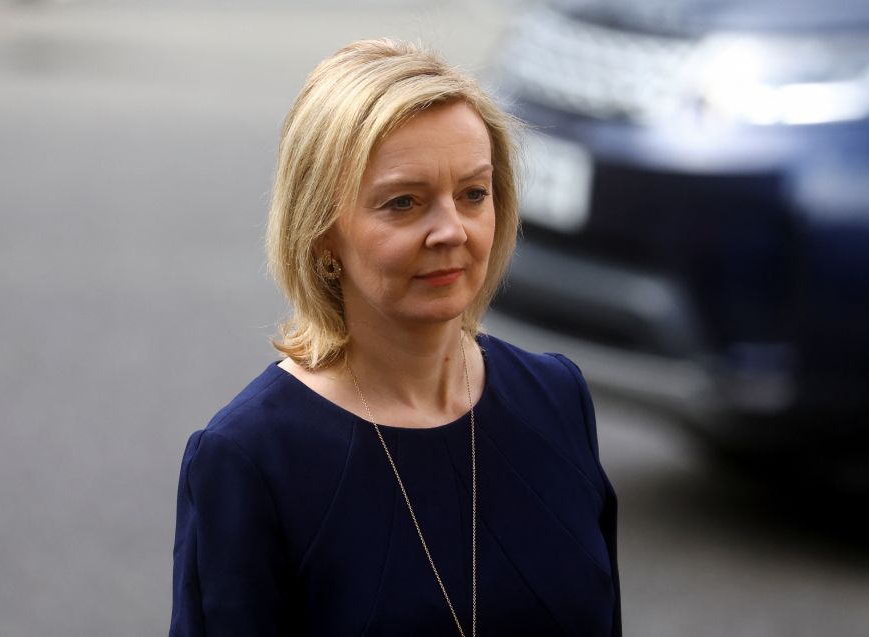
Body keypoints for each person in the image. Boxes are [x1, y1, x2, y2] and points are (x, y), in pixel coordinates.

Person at [169, 39, 621, 637]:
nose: (451, 230)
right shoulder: (250, 459)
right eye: (403, 203)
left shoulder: (558, 397)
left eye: (473, 194)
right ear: (323, 232)